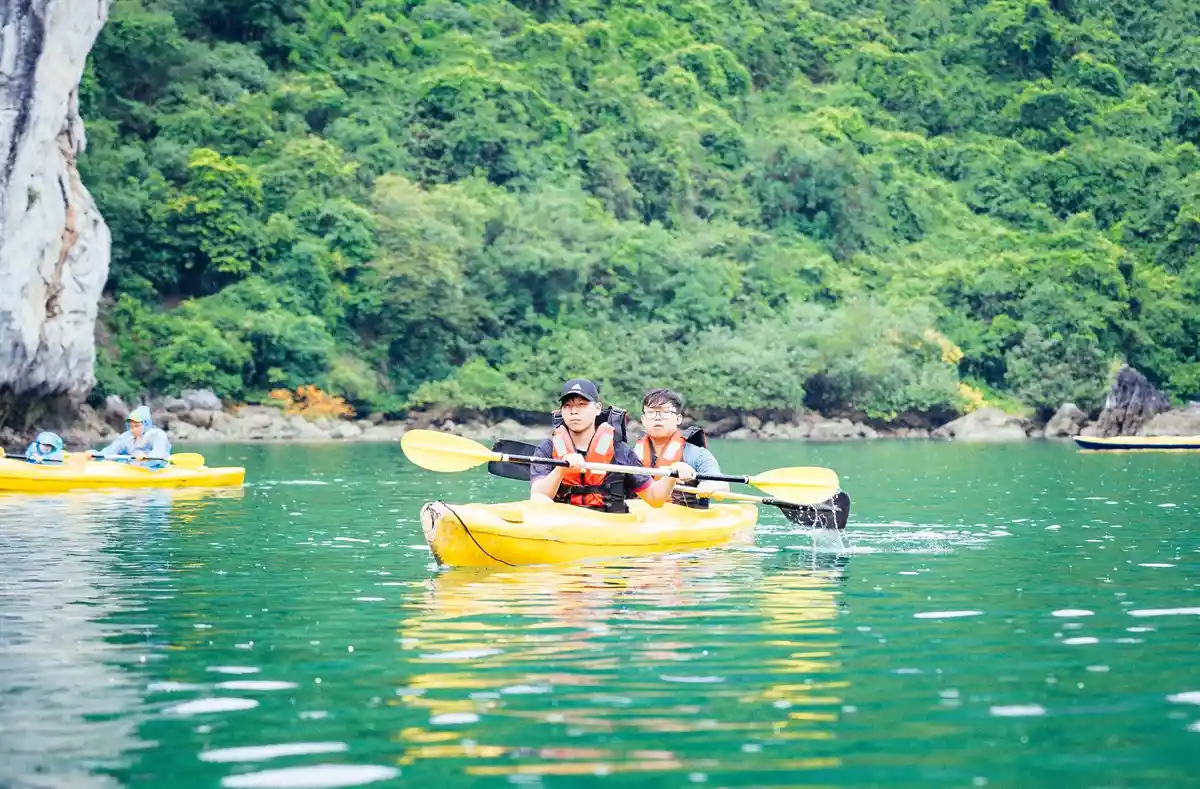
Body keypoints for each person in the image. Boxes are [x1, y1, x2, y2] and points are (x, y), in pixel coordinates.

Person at [530, 379, 696, 511]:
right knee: (539, 500)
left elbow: (655, 498)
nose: (574, 411)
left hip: (607, 523)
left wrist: (673, 474)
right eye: (568, 406)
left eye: (582, 404)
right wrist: (560, 470)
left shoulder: (620, 450)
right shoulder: (547, 448)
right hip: (564, 522)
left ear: (597, 408)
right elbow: (538, 494)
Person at [634, 388, 728, 508]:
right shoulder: (631, 454)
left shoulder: (695, 454)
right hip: (639, 518)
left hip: (682, 520)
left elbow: (723, 485)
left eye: (665, 413)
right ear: (643, 419)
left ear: (678, 419)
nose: (657, 418)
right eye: (651, 413)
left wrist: (709, 486)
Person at [89, 406, 172, 469]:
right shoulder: (127, 437)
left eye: (137, 426)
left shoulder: (157, 435)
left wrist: (146, 459)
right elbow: (109, 451)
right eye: (131, 426)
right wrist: (93, 454)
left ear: (146, 424)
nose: (133, 430)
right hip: (134, 467)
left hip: (157, 467)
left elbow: (159, 454)